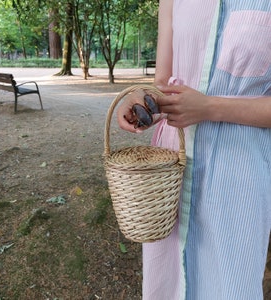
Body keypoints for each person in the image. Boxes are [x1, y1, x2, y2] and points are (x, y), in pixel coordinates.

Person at [117, 0, 271, 299]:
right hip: (170, 170)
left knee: (231, 282)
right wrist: (142, 100)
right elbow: (162, 83)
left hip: (239, 172)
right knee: (167, 279)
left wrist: (209, 107)